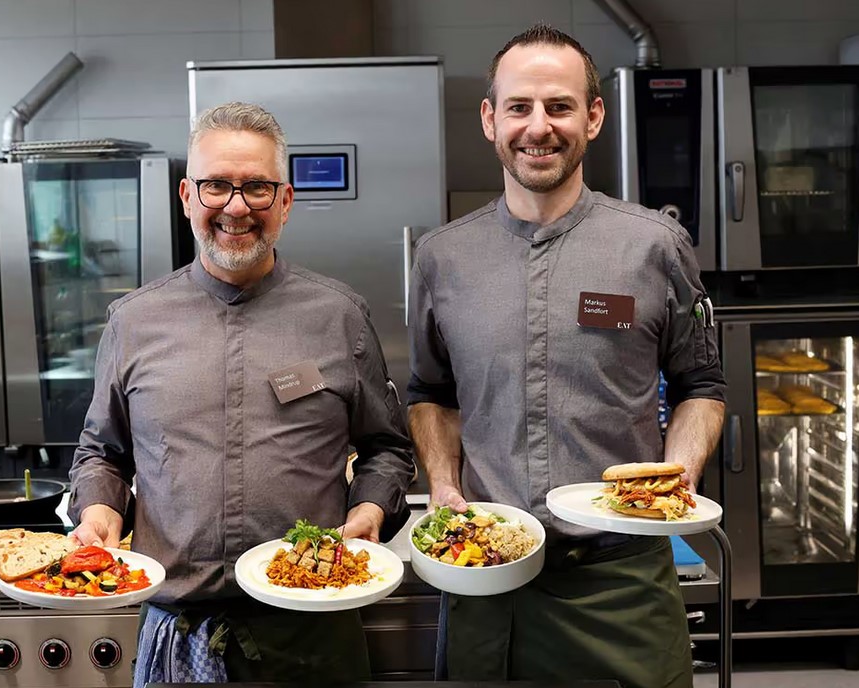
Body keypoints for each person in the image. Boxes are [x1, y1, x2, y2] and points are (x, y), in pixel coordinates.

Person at [407, 23, 726, 688]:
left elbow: (701, 381)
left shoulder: (654, 247)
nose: (538, 127)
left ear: (593, 116)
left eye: (558, 106)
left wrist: (675, 478)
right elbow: (429, 392)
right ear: (490, 120)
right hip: (485, 576)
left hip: (620, 582)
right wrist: (442, 484)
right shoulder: (442, 257)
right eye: (519, 107)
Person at [69, 102, 414, 685]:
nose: (235, 206)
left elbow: (387, 447)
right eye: (216, 187)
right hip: (178, 632)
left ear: (285, 200)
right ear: (186, 196)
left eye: (256, 187)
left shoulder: (339, 316)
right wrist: (99, 508)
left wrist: (371, 508)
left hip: (311, 635)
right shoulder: (134, 321)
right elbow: (102, 451)